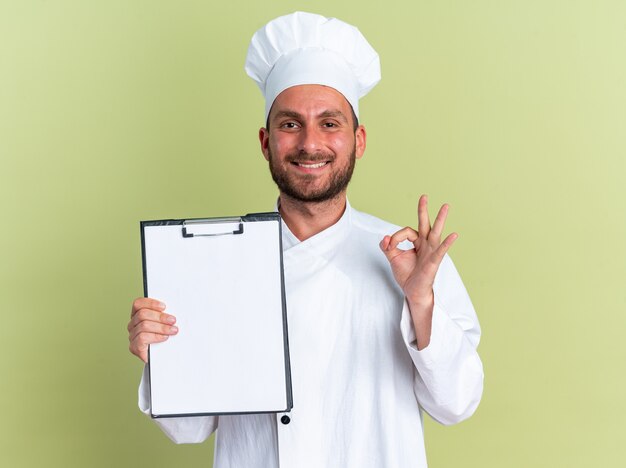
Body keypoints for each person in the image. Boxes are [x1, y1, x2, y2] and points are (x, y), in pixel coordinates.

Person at [127, 11, 483, 468]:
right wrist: (158, 351)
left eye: (330, 124)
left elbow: (456, 405)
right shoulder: (214, 260)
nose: (309, 143)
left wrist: (421, 303)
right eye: (290, 124)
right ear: (265, 141)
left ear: (359, 140)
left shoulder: (414, 260)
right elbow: (188, 428)